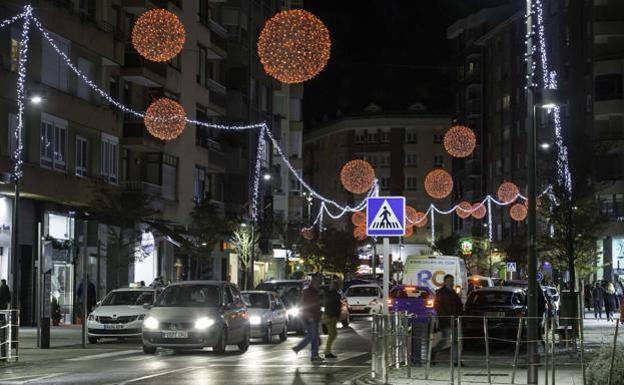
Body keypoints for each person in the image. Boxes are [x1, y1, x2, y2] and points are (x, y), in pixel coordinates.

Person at [432, 274, 463, 366]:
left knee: (455, 341)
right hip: (445, 320)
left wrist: (459, 314)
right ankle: (433, 352)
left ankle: (456, 361)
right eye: (449, 281)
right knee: (445, 340)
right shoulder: (441, 293)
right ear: (445, 282)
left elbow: (458, 305)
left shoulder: (453, 293)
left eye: (452, 280)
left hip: (454, 319)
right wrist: (444, 317)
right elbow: (438, 307)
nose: (451, 282)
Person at [292, 279, 323, 362]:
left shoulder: (313, 292)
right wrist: (311, 316)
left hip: (312, 317)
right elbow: (309, 305)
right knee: (314, 337)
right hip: (310, 317)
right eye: (317, 283)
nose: (318, 285)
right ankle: (314, 355)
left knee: (312, 336)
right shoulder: (310, 292)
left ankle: (298, 348)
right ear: (313, 284)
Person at [322, 281, 341, 359]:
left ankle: (327, 350)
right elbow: (336, 306)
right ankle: (327, 351)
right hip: (331, 316)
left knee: (333, 333)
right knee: (332, 334)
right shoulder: (335, 295)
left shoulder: (327, 293)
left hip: (328, 315)